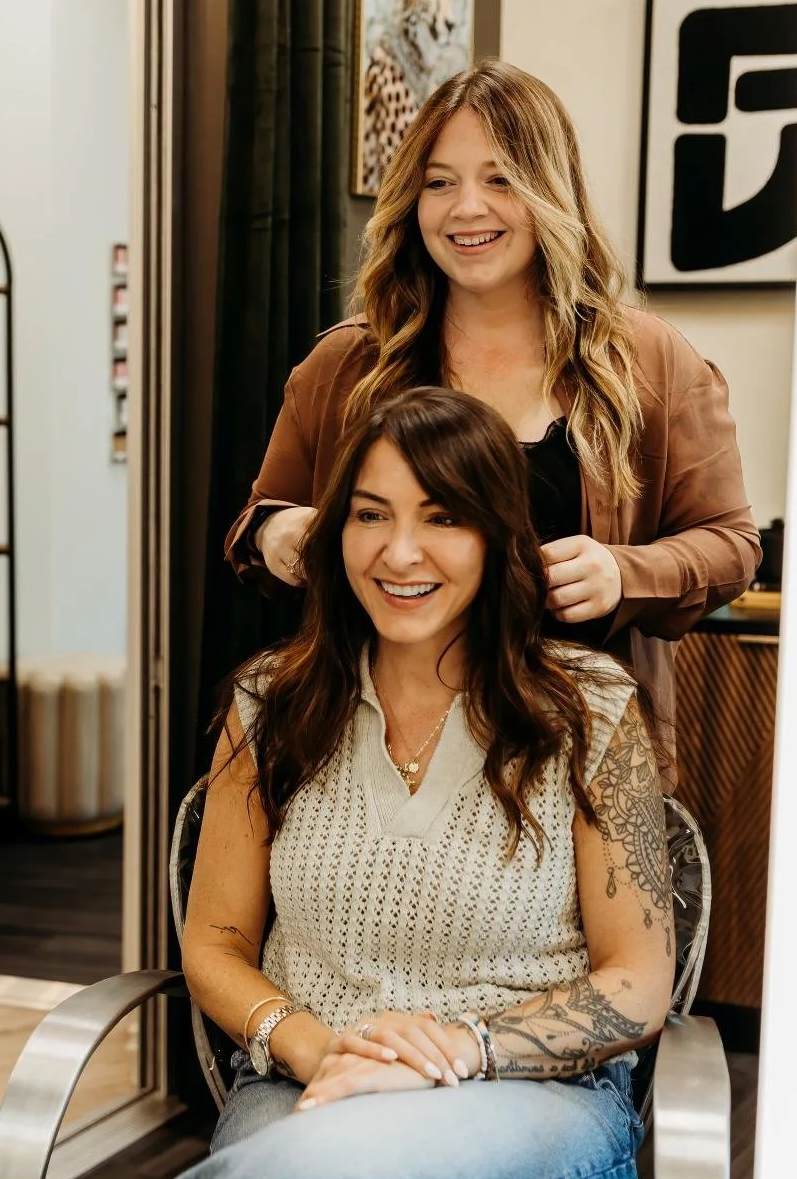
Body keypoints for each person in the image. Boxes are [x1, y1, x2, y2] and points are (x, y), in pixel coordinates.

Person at [70, 388, 675, 1179]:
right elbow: (212, 942)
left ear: (498, 536)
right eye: (369, 512)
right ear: (333, 528)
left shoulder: (590, 711)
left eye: (443, 515)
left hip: (530, 1114)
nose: (402, 550)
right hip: (309, 1093)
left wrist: (454, 1048)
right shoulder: (270, 704)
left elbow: (637, 983)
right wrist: (315, 1048)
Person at [225, 58, 760, 783]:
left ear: (550, 189)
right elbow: (258, 522)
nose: (465, 208)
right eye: (439, 182)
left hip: (575, 762)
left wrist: (623, 573)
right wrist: (277, 530)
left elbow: (730, 546)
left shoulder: (647, 362)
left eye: (500, 178)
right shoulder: (348, 366)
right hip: (375, 754)